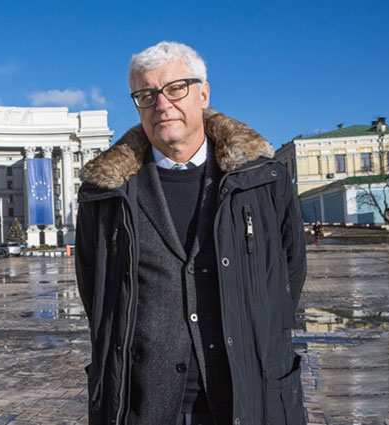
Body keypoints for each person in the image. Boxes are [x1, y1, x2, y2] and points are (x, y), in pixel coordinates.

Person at [75, 41, 307, 425]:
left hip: (249, 396)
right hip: (142, 403)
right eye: (146, 95)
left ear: (204, 93)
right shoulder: (105, 193)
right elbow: (95, 290)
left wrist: (259, 339)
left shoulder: (262, 179)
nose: (162, 104)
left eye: (176, 88)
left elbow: (289, 272)